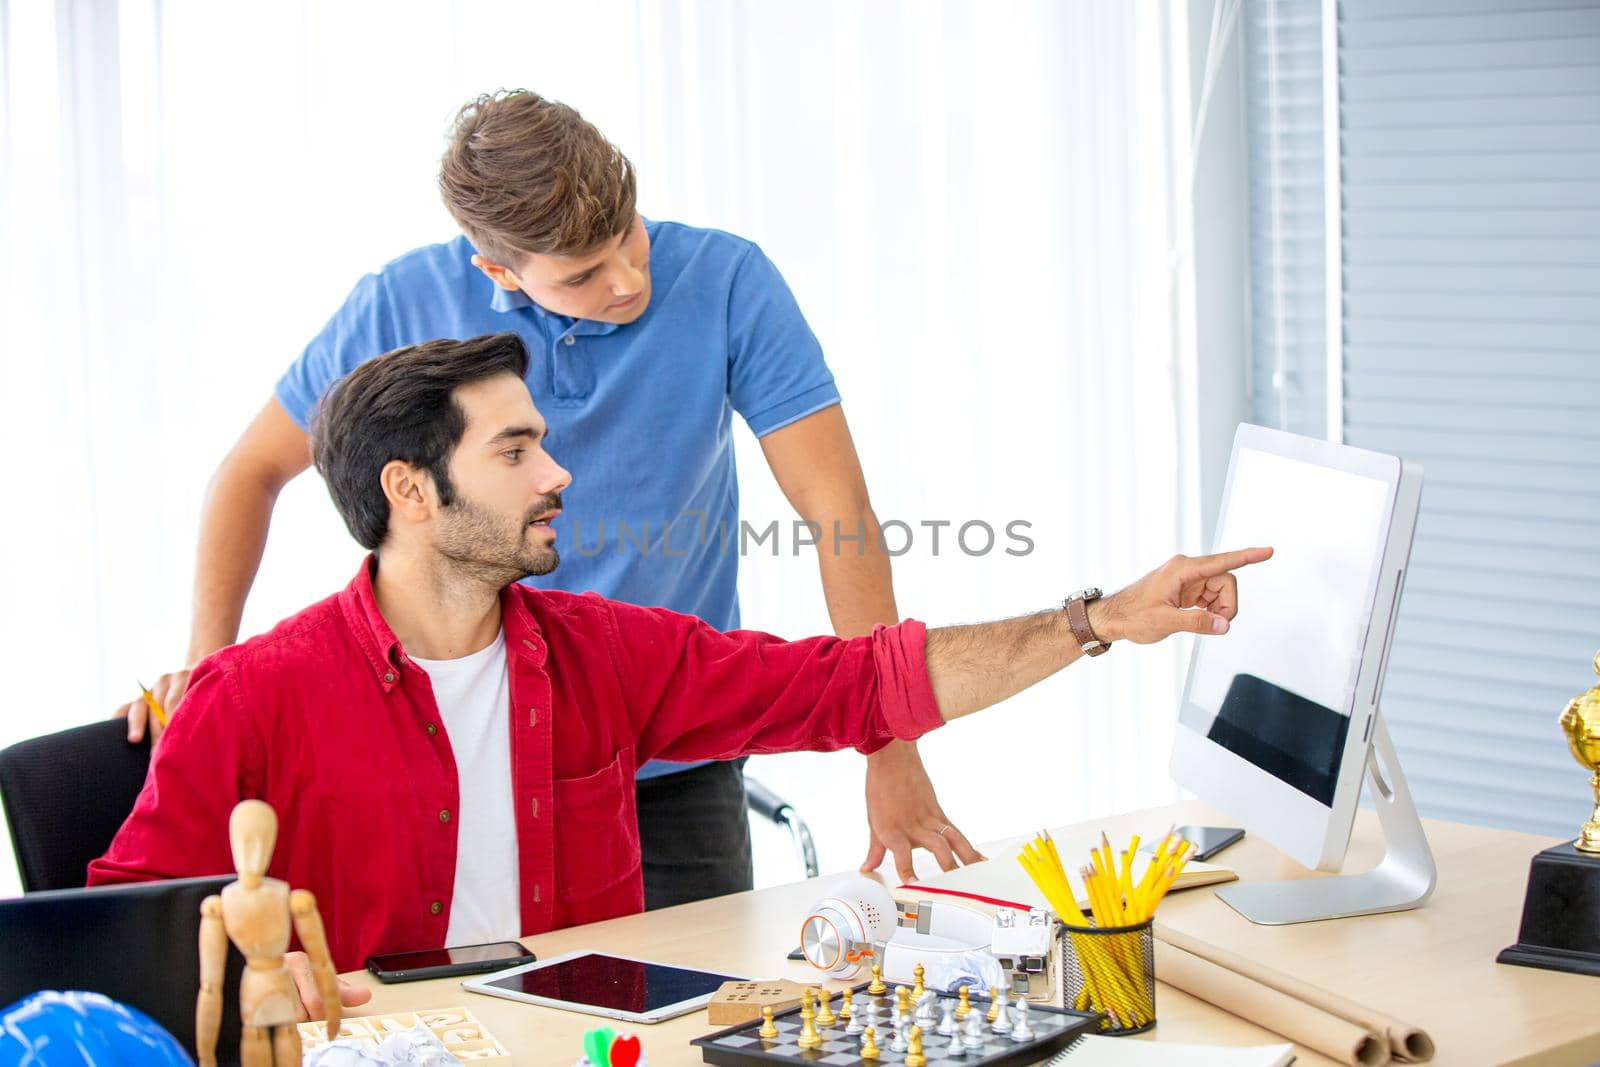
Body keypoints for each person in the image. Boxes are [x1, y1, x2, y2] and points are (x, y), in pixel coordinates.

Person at [91, 334, 1270, 1017]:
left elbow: (850, 684)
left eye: (542, 440)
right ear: (409, 490)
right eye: (515, 451)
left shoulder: (601, 648)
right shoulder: (252, 692)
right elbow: (114, 943)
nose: (557, 472)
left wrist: (1099, 618)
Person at [116, 89, 976, 900]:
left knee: (693, 1028)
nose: (628, 281)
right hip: (459, 754)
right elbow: (249, 473)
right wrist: (204, 661)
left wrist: (888, 745)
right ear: (497, 269)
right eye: (582, 274)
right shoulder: (400, 302)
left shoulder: (726, 281)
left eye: (630, 240)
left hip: (673, 763)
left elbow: (839, 511)